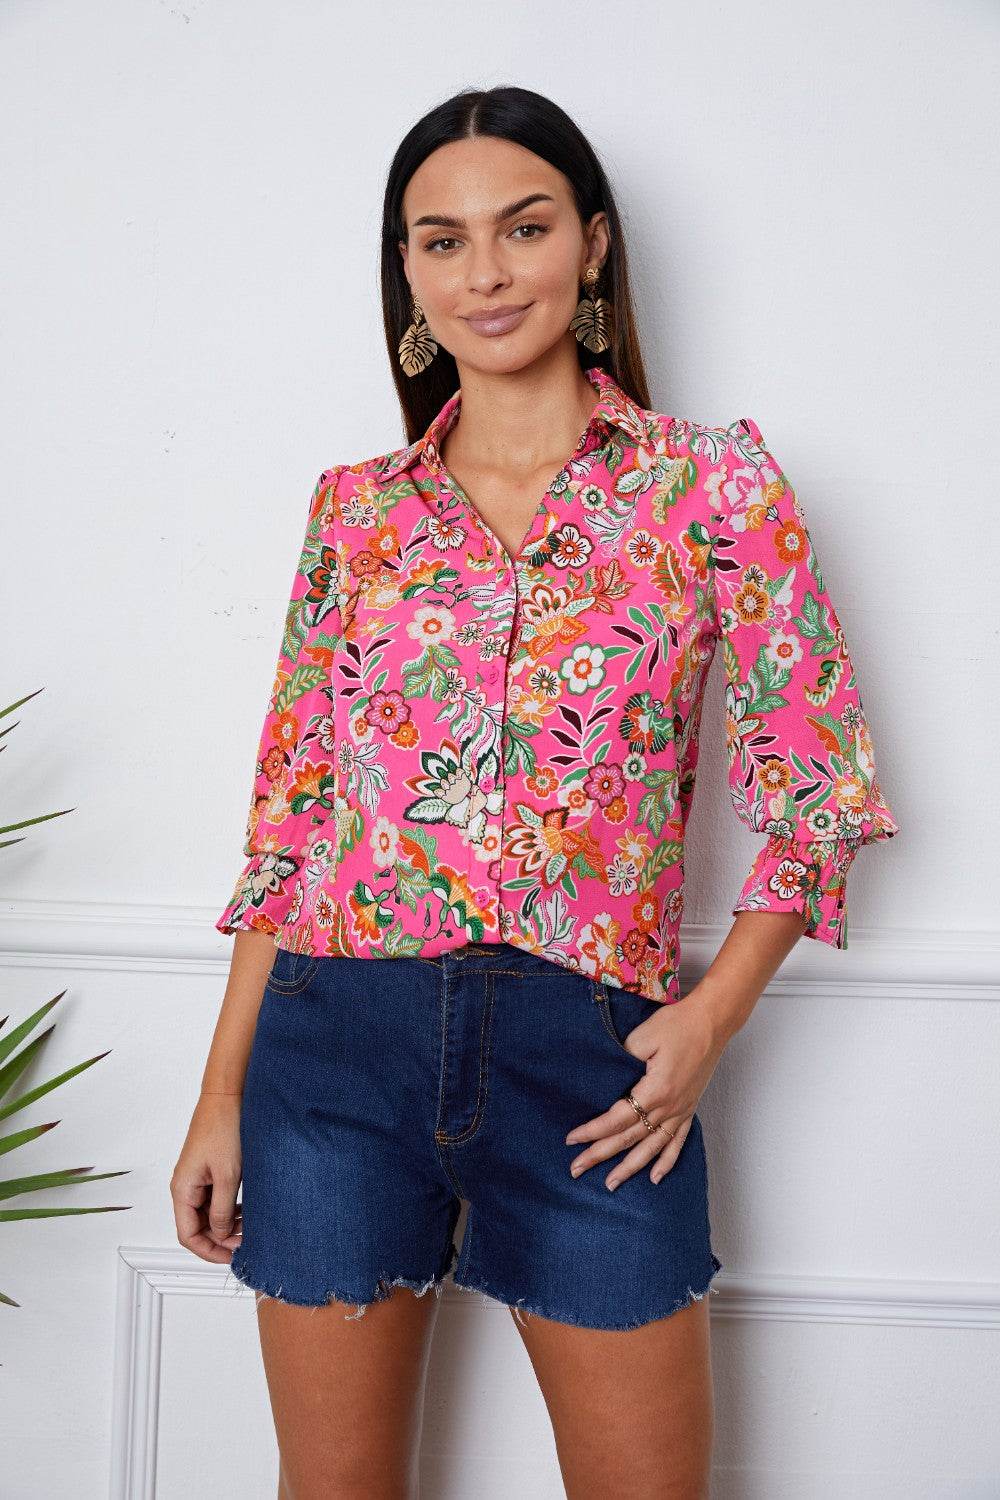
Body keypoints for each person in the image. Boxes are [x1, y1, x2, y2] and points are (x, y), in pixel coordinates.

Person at [171, 85, 900, 1500]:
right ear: (407, 274)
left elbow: (822, 786)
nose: (486, 273)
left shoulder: (715, 486)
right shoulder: (357, 513)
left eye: (525, 227)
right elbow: (293, 823)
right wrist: (219, 1097)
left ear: (594, 245)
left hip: (593, 1071)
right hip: (335, 1054)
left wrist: (709, 1022)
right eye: (441, 242)